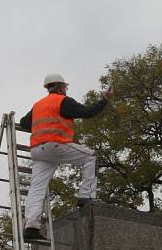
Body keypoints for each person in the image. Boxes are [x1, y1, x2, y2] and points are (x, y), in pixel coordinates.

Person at [20, 72, 112, 241]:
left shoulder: (38, 105)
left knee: (37, 189)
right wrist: (104, 100)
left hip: (37, 151)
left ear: (48, 87)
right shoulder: (63, 101)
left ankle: (31, 227)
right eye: (65, 87)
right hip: (55, 144)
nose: (66, 89)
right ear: (62, 87)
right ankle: (86, 196)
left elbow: (25, 122)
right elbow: (88, 112)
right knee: (91, 157)